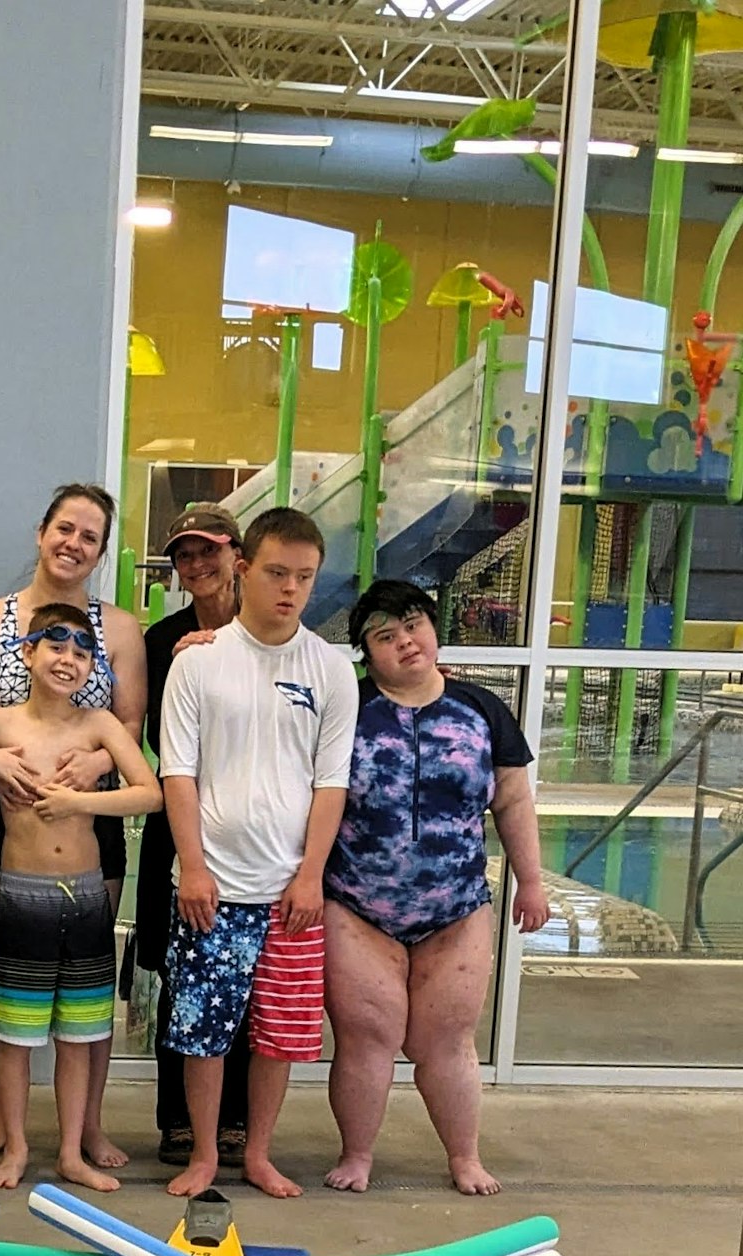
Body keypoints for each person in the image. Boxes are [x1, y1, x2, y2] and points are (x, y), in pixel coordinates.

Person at [322, 580, 549, 1196]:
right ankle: (358, 1154)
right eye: (385, 636)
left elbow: (512, 798)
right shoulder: (348, 710)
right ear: (366, 653)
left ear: (433, 628)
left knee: (447, 1041)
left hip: (457, 906)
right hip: (357, 902)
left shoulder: (481, 708)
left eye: (413, 625)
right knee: (367, 1038)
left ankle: (464, 1157)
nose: (406, 642)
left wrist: (530, 879)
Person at [157, 505, 357, 1200]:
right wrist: (194, 866)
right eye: (276, 572)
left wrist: (311, 876)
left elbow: (332, 781)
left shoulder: (331, 670)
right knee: (204, 1031)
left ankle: (260, 1153)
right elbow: (176, 773)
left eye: (304, 577)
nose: (290, 589)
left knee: (281, 1036)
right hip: (215, 884)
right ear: (243, 568)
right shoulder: (199, 664)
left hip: (289, 893)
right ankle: (207, 1153)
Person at [0, 604, 161, 1190]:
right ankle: (15, 1144)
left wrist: (80, 802)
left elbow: (149, 794)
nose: (69, 659)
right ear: (26, 653)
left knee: (80, 1033)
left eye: (83, 653)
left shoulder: (100, 726)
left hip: (85, 895)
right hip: (22, 894)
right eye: (56, 646)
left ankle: (69, 1152)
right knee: (15, 1033)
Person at [0, 483, 147, 1174]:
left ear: (99, 552)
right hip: (0, 817)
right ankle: (3, 1123)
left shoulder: (118, 629)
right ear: (41, 532)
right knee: (2, 975)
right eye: (64, 528)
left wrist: (97, 767)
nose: (74, 543)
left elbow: (129, 725)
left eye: (89, 536)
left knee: (85, 989)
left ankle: (85, 1130)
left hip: (88, 823)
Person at [135, 506, 252, 1167]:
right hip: (179, 825)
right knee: (179, 974)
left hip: (251, 831)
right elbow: (161, 741)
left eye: (209, 550)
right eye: (185, 555)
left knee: (243, 978)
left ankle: (235, 1117)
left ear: (238, 555)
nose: (197, 564)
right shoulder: (163, 640)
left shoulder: (269, 633)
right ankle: (176, 1117)